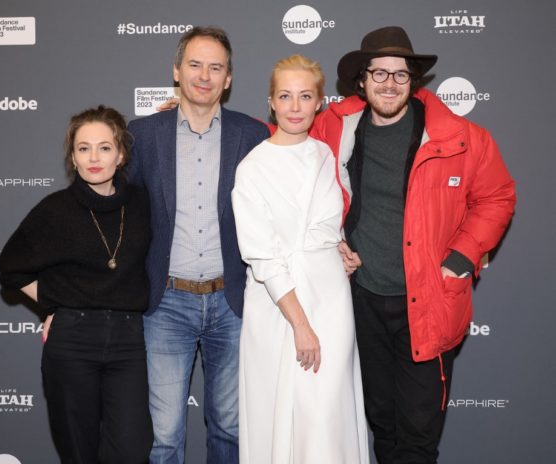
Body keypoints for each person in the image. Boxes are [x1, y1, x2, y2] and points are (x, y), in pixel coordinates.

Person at [309, 27, 516, 463]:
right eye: (379, 73)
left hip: (429, 302)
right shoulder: (335, 125)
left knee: (418, 434)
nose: (389, 83)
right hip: (361, 300)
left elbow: (497, 197)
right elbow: (282, 136)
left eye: (400, 75)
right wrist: (196, 111)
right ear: (361, 80)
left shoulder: (460, 137)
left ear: (415, 81)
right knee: (382, 423)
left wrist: (461, 258)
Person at [127, 26, 269, 464]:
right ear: (176, 71)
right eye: (194, 64)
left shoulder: (255, 135)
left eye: (215, 67)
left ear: (228, 78)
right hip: (167, 302)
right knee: (165, 434)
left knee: (230, 426)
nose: (204, 76)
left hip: (233, 302)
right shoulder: (143, 135)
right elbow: (111, 215)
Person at [232, 54, 369, 464]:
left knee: (328, 413)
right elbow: (262, 255)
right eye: (285, 96)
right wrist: (301, 325)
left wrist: (340, 247)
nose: (295, 107)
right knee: (283, 412)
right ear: (271, 102)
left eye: (305, 96)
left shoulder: (326, 156)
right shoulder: (252, 167)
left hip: (331, 299)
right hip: (279, 307)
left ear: (319, 102)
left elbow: (326, 224)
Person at [0, 105, 153, 464]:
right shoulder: (55, 209)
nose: (94, 158)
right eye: (84, 148)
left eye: (104, 147)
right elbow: (11, 268)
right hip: (72, 341)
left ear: (121, 154)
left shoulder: (143, 204)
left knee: (133, 450)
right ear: (73, 157)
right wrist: (53, 303)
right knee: (79, 454)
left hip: (129, 343)